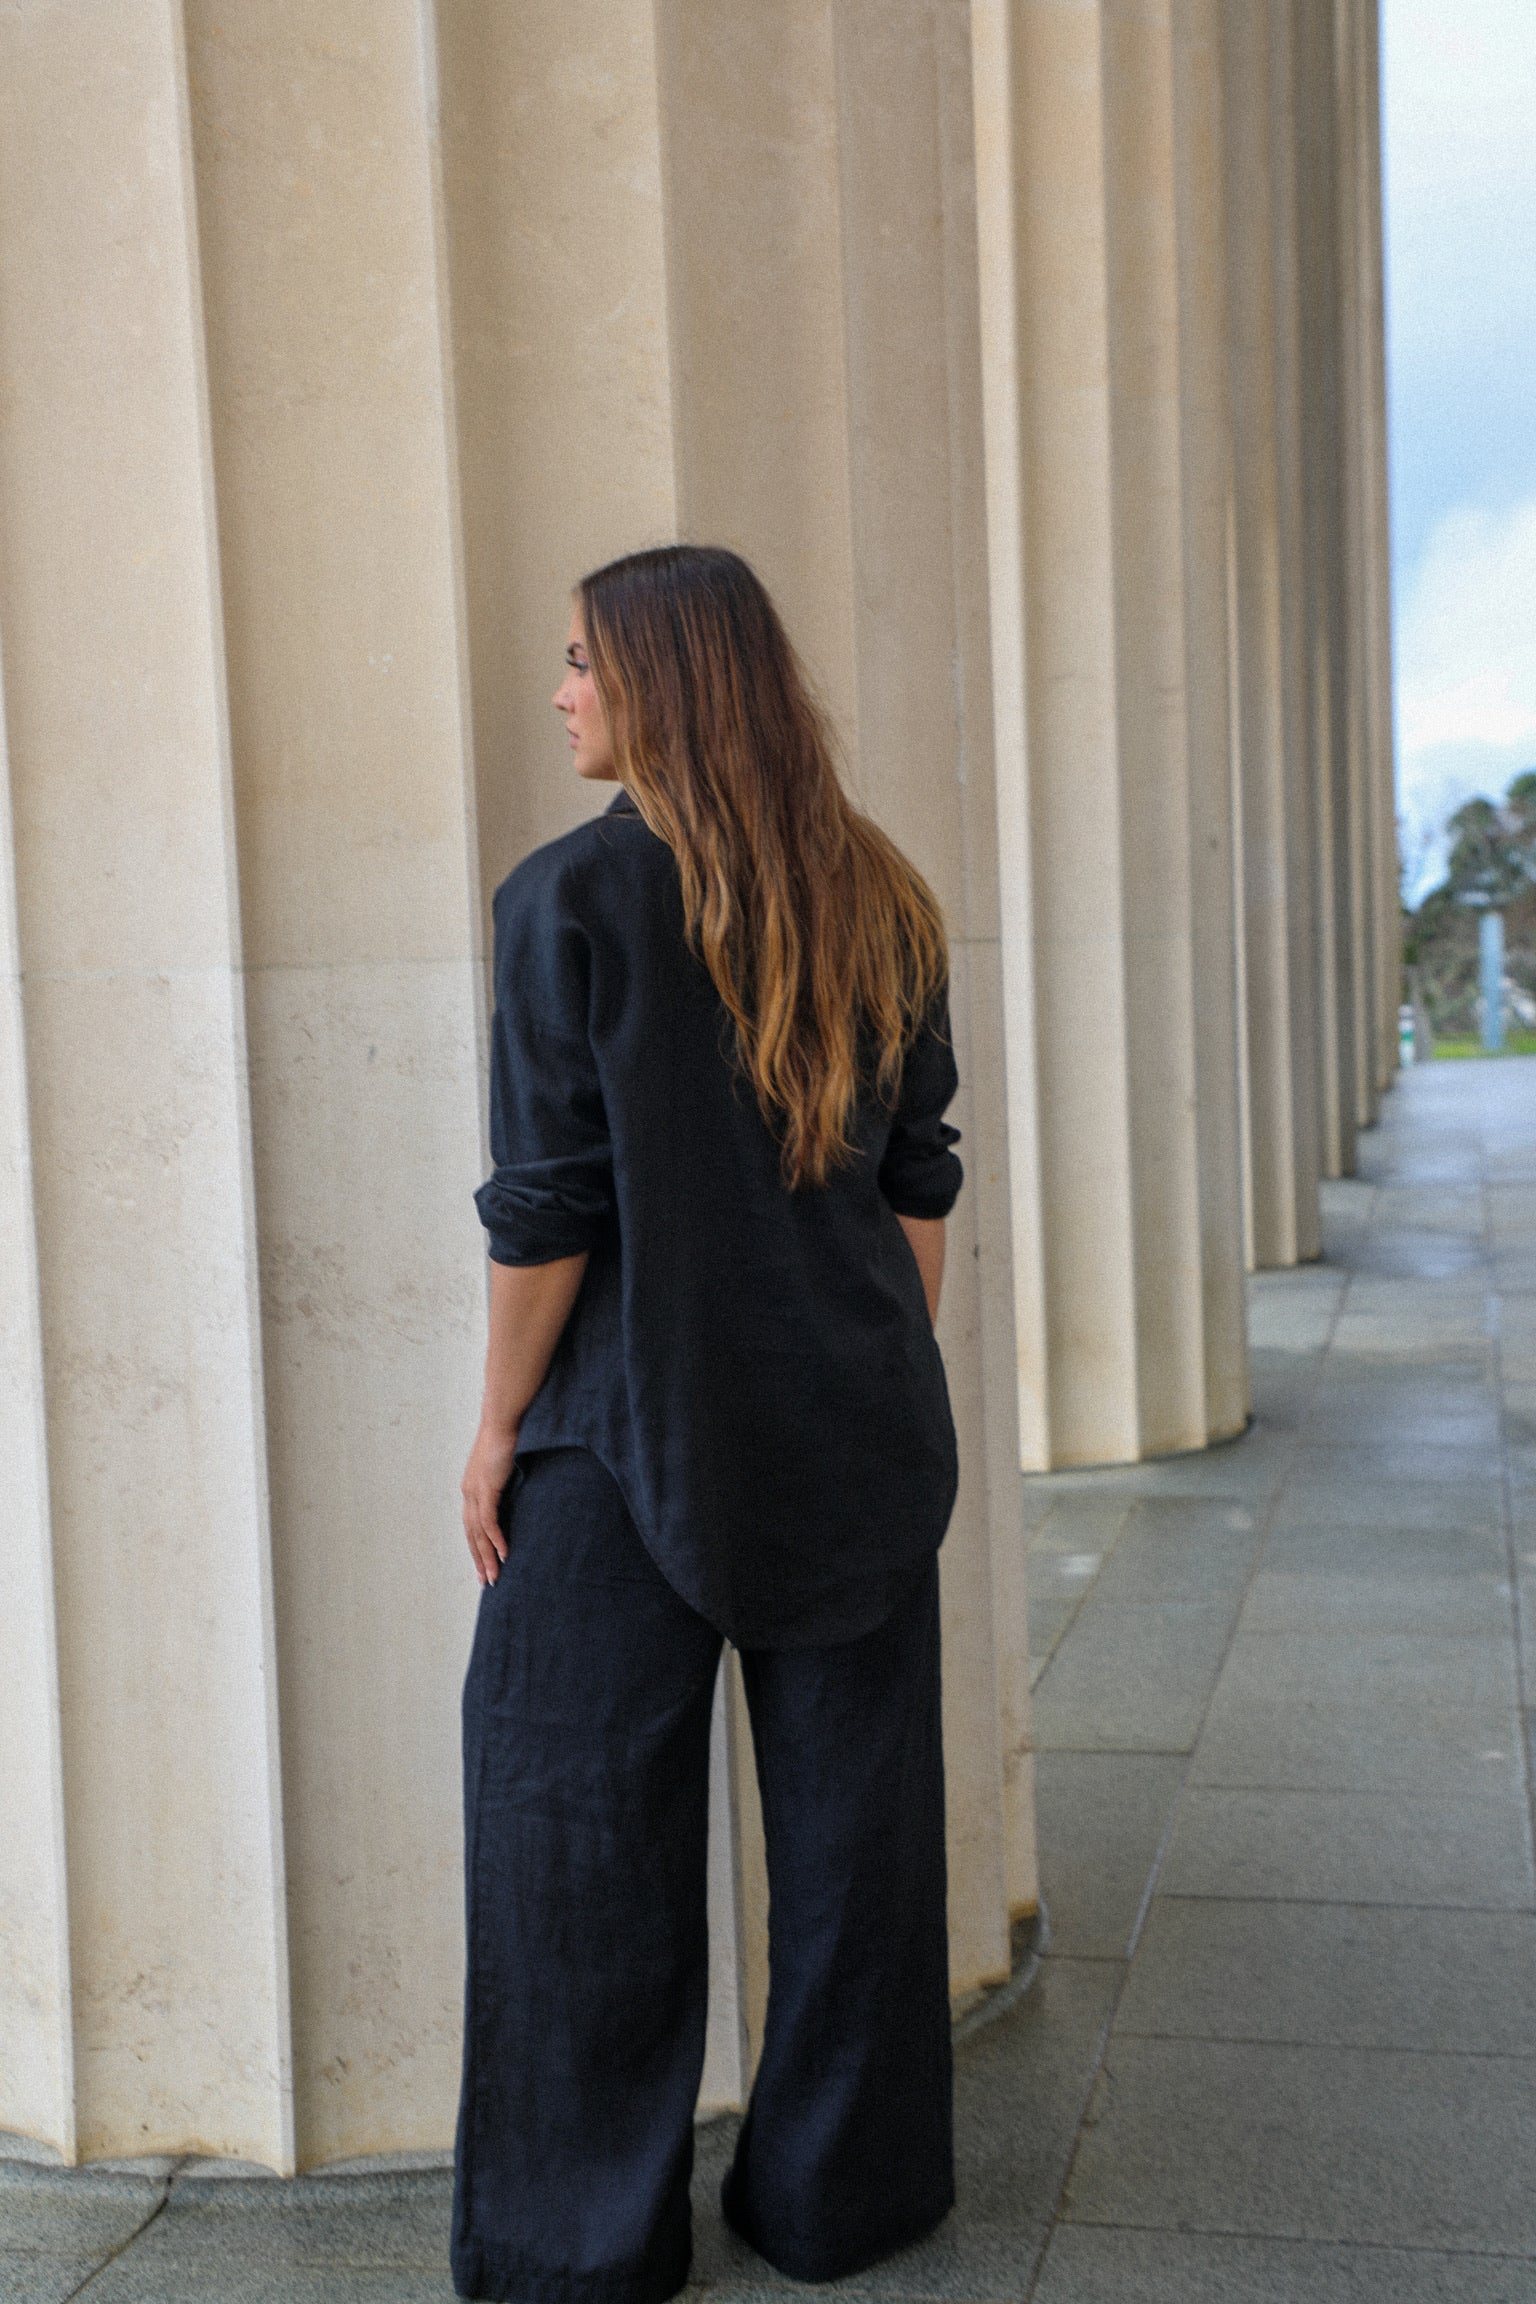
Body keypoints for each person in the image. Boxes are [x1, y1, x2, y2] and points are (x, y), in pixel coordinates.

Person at [453, 544, 964, 2304]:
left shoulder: (567, 900)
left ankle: (578, 2249)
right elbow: (917, 1188)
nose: (560, 691)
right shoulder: (884, 893)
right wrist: (861, 1365)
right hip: (857, 1426)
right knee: (859, 1847)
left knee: (572, 1842)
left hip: (618, 1437)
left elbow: (547, 1213)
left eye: (582, 661)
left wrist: (495, 1428)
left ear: (663, 681)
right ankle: (843, 2201)